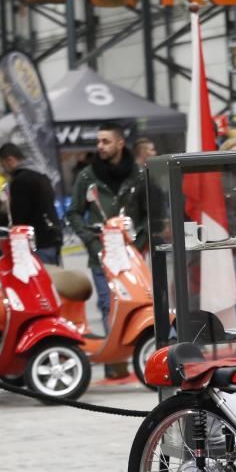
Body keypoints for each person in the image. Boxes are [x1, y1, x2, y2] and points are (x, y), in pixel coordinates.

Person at [67, 122, 147, 341]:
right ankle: (115, 360)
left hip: (133, 257)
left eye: (106, 141)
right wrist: (92, 245)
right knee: (107, 304)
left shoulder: (139, 175)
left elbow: (151, 214)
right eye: (98, 141)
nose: (100, 146)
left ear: (120, 143)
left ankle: (139, 352)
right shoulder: (87, 176)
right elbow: (73, 213)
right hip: (101, 256)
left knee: (139, 302)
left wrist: (137, 246)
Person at [0, 143, 63, 266]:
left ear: (10, 160)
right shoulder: (42, 176)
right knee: (53, 280)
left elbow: (18, 216)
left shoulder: (20, 181)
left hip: (36, 242)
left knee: (38, 283)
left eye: (2, 165)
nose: (3, 170)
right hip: (52, 238)